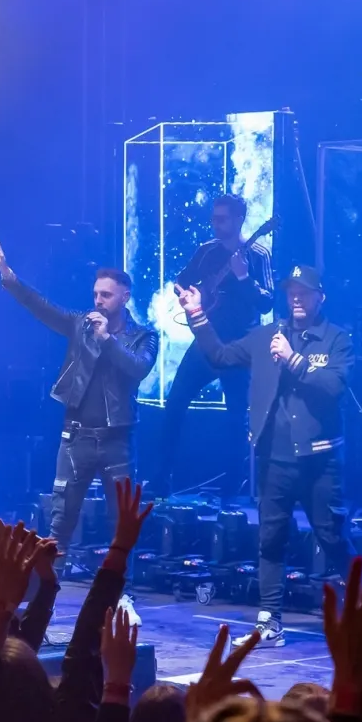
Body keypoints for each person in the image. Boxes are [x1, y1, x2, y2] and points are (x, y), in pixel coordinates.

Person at [177, 265, 354, 647]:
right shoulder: (266, 336)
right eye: (291, 291)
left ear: (319, 296)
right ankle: (269, 622)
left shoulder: (337, 339)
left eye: (304, 292)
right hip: (274, 459)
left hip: (319, 461)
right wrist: (197, 315)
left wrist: (293, 360)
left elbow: (334, 386)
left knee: (332, 536)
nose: (296, 298)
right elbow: (221, 356)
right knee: (270, 539)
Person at [0, 235, 159, 563]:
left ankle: (123, 595)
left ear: (125, 297)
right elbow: (43, 307)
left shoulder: (143, 336)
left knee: (122, 523)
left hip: (116, 440)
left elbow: (138, 369)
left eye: (106, 295)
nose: (98, 301)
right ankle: (46, 592)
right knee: (60, 520)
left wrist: (107, 339)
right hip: (76, 436)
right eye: (95, 294)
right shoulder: (80, 324)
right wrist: (9, 278)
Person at [157, 194, 274, 497]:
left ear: (239, 220)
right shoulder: (205, 252)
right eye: (214, 218)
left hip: (239, 346)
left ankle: (231, 488)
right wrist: (188, 295)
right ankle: (160, 479)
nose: (216, 224)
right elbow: (181, 280)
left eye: (222, 219)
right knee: (175, 404)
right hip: (205, 341)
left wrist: (244, 277)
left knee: (236, 416)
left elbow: (266, 303)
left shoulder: (258, 255)